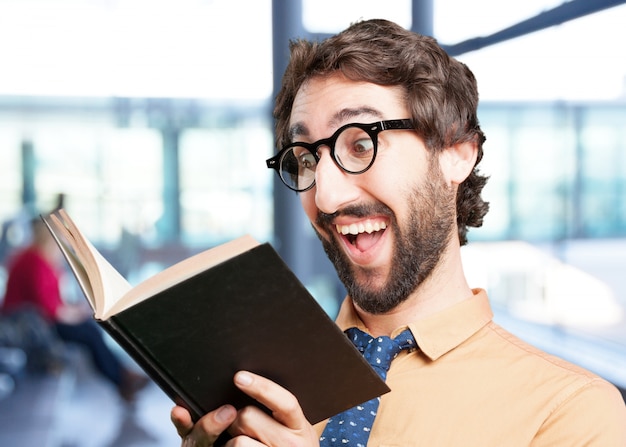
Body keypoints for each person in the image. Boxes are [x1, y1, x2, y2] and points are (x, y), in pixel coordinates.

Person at [171, 19, 626, 446]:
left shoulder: (572, 412)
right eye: (306, 159)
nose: (326, 197)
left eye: (360, 143)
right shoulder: (258, 386)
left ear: (455, 153)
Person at [1, 217, 148, 402]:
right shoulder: (35, 261)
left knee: (90, 329)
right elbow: (48, 309)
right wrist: (74, 314)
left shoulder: (41, 259)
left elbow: (51, 301)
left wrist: (75, 311)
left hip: (38, 320)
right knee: (89, 333)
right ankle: (122, 379)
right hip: (27, 324)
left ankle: (122, 377)